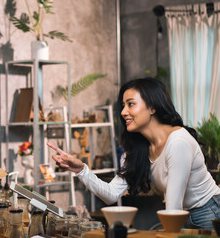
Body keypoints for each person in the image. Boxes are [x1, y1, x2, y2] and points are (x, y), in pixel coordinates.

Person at [47, 77, 220, 230]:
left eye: (131, 104)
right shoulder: (138, 148)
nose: (123, 112)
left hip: (209, 212)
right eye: (123, 106)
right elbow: (111, 194)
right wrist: (81, 170)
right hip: (182, 215)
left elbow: (173, 209)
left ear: (152, 107)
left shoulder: (178, 142)